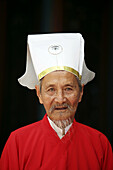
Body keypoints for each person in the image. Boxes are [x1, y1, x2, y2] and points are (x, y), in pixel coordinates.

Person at [0, 33, 113, 170]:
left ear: (81, 92)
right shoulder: (17, 142)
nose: (60, 99)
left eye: (68, 89)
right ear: (39, 94)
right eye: (51, 90)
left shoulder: (99, 144)